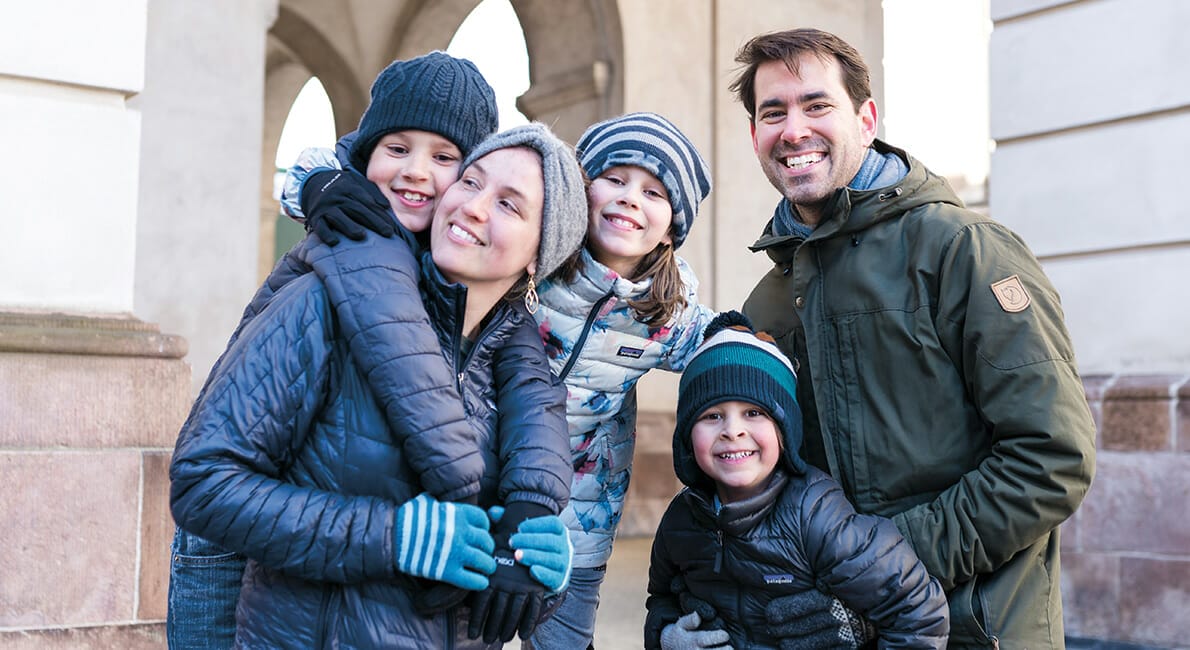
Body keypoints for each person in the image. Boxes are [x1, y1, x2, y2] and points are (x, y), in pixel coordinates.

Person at [167, 52, 582, 649]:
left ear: (539, 256)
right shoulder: (332, 274)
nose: (421, 174)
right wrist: (394, 537)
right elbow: (208, 480)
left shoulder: (510, 352)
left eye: (447, 160)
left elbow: (483, 547)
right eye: (472, 183)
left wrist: (538, 559)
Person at [286, 111, 719, 648]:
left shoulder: (667, 312)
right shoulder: (522, 257)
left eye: (653, 193)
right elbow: (402, 171)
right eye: (614, 178)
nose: (630, 198)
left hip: (579, 520)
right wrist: (319, 180)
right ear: (578, 191)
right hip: (481, 491)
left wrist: (749, 348)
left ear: (673, 227)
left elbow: (721, 343)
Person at [732, 28, 1097, 648]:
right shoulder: (767, 300)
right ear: (755, 135)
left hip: (974, 629)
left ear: (865, 119)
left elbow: (1051, 458)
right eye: (774, 113)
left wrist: (878, 566)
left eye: (817, 105)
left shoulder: (965, 252)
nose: (794, 130)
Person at [644, 311, 949, 649]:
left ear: (785, 429)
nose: (733, 430)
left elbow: (918, 610)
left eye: (754, 412)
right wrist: (667, 636)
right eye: (712, 415)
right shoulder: (680, 521)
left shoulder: (815, 514)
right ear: (687, 436)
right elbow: (661, 599)